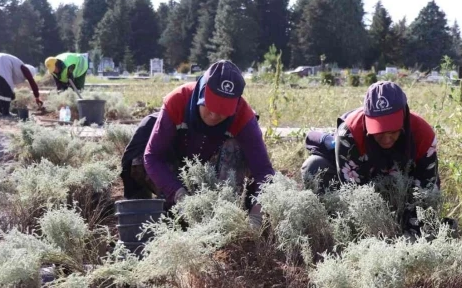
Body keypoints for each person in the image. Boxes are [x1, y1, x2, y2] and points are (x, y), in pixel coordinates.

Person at [120, 60, 274, 227]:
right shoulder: (178, 100)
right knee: (139, 152)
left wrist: (257, 212)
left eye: (223, 111)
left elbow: (263, 171)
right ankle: (167, 214)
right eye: (210, 106)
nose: (214, 115)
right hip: (176, 169)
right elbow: (152, 156)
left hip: (216, 176)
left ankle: (224, 219)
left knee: (234, 147)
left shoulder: (244, 116)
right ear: (202, 92)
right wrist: (178, 194)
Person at [301, 80, 439, 194]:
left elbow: (425, 187)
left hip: (401, 181)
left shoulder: (423, 134)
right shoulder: (350, 133)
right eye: (378, 132)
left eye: (393, 131)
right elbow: (354, 195)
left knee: (430, 194)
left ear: (404, 116)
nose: (386, 139)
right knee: (314, 165)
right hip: (361, 177)